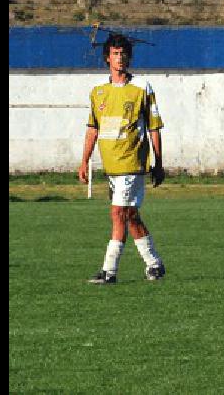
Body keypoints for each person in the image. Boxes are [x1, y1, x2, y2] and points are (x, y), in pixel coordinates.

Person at [77, 33, 166, 285]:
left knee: (117, 214)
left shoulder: (142, 88)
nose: (120, 57)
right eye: (115, 53)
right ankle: (154, 264)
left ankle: (109, 270)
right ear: (107, 58)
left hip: (132, 163)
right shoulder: (98, 92)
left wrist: (158, 164)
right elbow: (92, 128)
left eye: (124, 53)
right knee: (129, 215)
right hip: (111, 166)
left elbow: (154, 128)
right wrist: (84, 161)